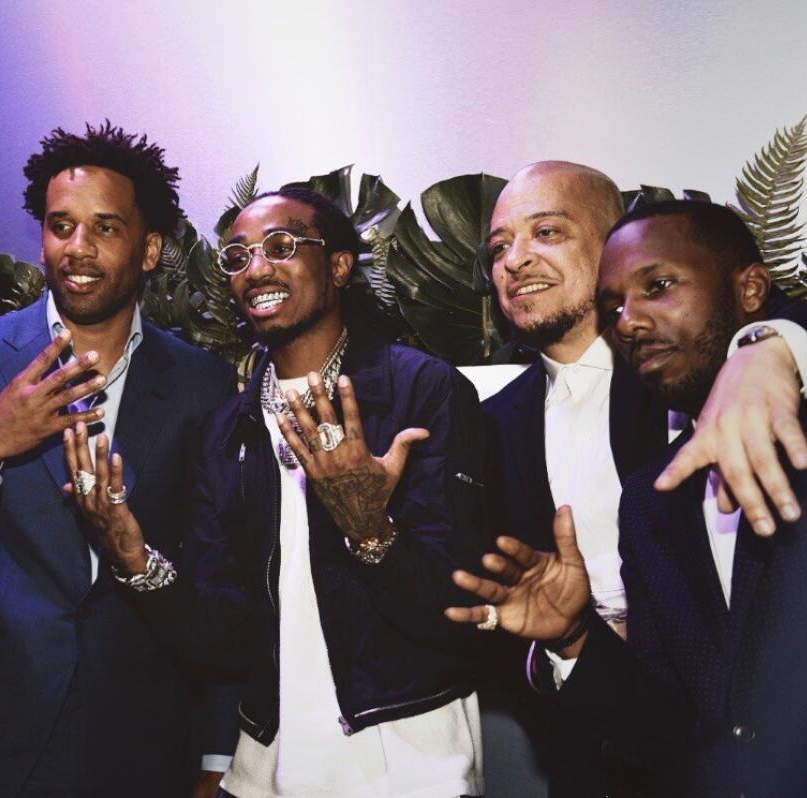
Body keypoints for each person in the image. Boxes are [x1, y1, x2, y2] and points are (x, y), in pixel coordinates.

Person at [64, 187, 492, 798]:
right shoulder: (225, 431)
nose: (256, 268)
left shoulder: (421, 393)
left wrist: (372, 531)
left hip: (407, 756)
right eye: (236, 256)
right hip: (269, 763)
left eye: (282, 245)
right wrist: (135, 560)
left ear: (339, 265)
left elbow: (462, 609)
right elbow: (223, 643)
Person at [0, 122, 238, 797]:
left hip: (140, 745)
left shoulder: (201, 385)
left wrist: (217, 754)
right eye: (60, 226)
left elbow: (219, 583)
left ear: (150, 248)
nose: (78, 249)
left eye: (105, 228)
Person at [449, 199, 807, 796]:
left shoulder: (803, 405)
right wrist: (573, 637)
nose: (627, 320)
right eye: (614, 306)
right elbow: (668, 722)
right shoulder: (653, 501)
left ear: (752, 288)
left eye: (659, 286)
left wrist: (774, 344)